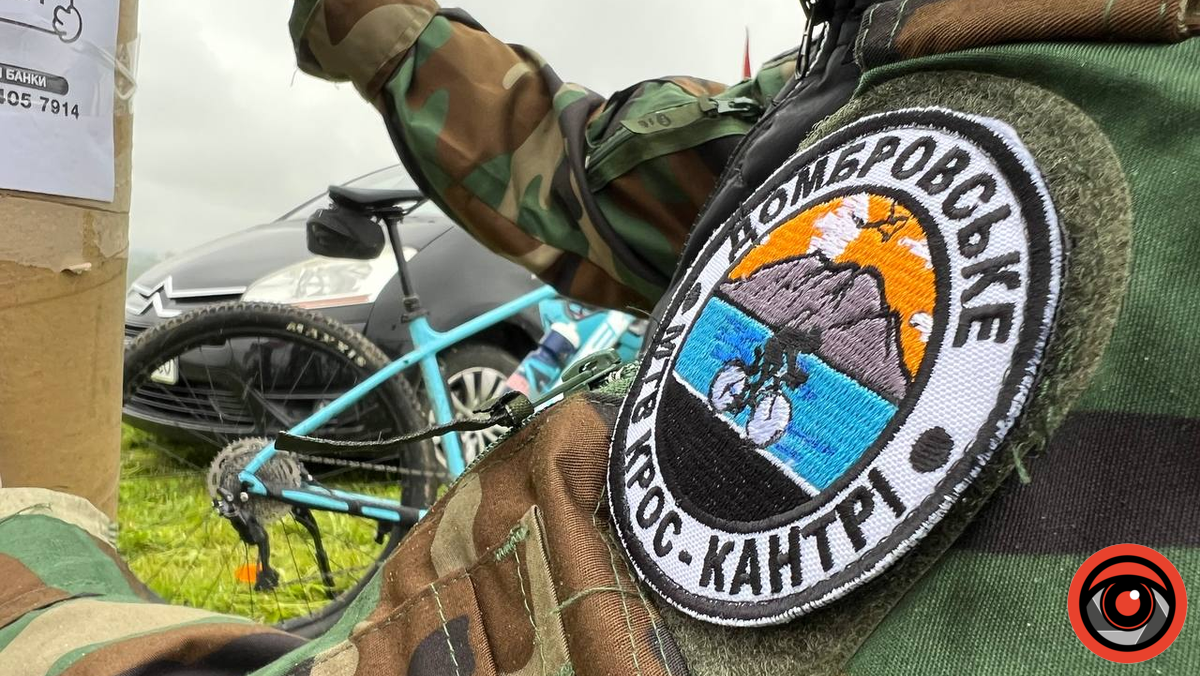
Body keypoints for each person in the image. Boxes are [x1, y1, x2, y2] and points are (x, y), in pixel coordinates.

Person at [2, 1, 1197, 674]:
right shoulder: (878, 61)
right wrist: (374, 25)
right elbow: (570, 164)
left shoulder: (1058, 105)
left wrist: (24, 562)